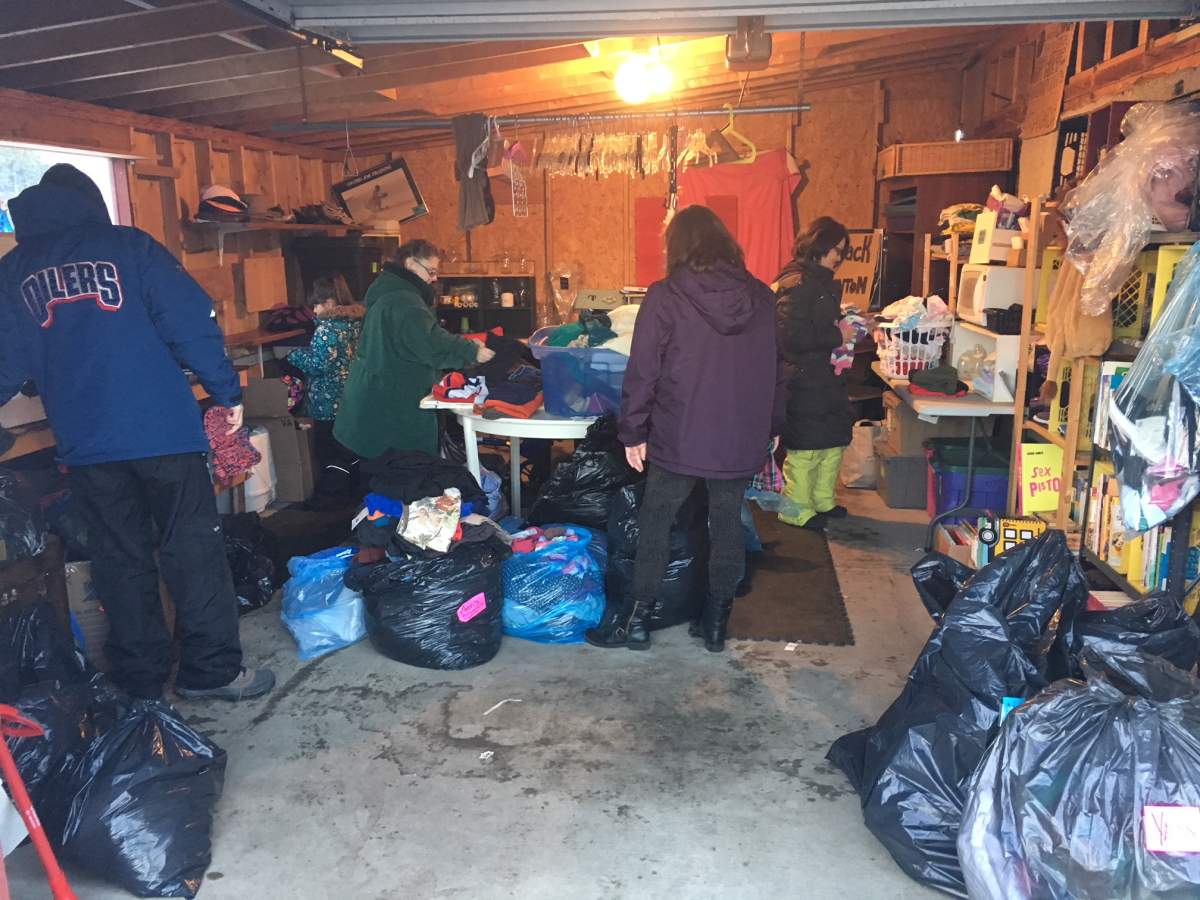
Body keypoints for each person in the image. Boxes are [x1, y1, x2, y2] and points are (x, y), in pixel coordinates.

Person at [0, 164, 274, 702]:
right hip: (162, 433)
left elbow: (6, 359)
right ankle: (211, 673)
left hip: (86, 446)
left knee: (119, 560)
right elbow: (190, 320)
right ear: (90, 202)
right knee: (192, 550)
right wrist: (227, 392)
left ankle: (142, 681)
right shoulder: (129, 247)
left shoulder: (14, 271)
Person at [585, 205, 779, 654]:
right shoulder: (762, 297)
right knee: (726, 523)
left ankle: (636, 624)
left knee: (655, 521)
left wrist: (632, 431)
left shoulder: (665, 295)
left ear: (678, 245)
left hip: (680, 432)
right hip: (738, 435)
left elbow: (643, 371)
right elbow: (776, 368)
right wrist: (772, 424)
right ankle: (715, 625)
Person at [334, 239, 495, 460]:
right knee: (404, 474)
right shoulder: (404, 302)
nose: (434, 278)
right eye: (431, 271)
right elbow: (430, 342)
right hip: (390, 407)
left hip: (370, 402)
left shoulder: (389, 292)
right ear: (410, 264)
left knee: (379, 477)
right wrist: (469, 351)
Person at [775, 217, 856, 531]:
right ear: (816, 245)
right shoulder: (796, 283)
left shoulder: (820, 282)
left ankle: (822, 500)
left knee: (832, 442)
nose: (838, 256)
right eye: (834, 249)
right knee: (806, 447)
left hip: (824, 375)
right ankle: (794, 508)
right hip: (804, 377)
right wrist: (838, 337)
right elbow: (788, 336)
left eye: (842, 251)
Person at [287, 273, 364, 461]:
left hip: (326, 405)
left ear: (329, 303)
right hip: (350, 399)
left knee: (328, 455)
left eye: (316, 304)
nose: (313, 310)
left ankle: (331, 490)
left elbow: (318, 364)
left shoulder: (327, 328)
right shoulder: (354, 323)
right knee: (348, 453)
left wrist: (292, 355)